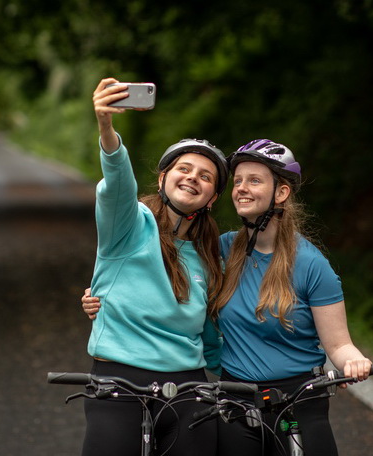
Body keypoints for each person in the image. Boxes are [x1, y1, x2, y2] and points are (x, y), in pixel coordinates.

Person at [83, 138, 372, 456]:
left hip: (300, 398)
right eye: (238, 181)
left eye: (255, 180)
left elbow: (339, 345)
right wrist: (106, 297)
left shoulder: (311, 264)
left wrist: (353, 361)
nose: (243, 188)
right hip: (235, 399)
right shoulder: (219, 250)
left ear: (281, 192)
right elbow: (163, 279)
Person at [80, 77, 229, 456]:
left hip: (189, 387)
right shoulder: (130, 224)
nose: (193, 177)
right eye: (184, 168)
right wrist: (106, 128)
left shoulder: (211, 255)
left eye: (205, 176)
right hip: (119, 380)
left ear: (211, 198)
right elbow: (116, 184)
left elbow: (213, 335)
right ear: (163, 178)